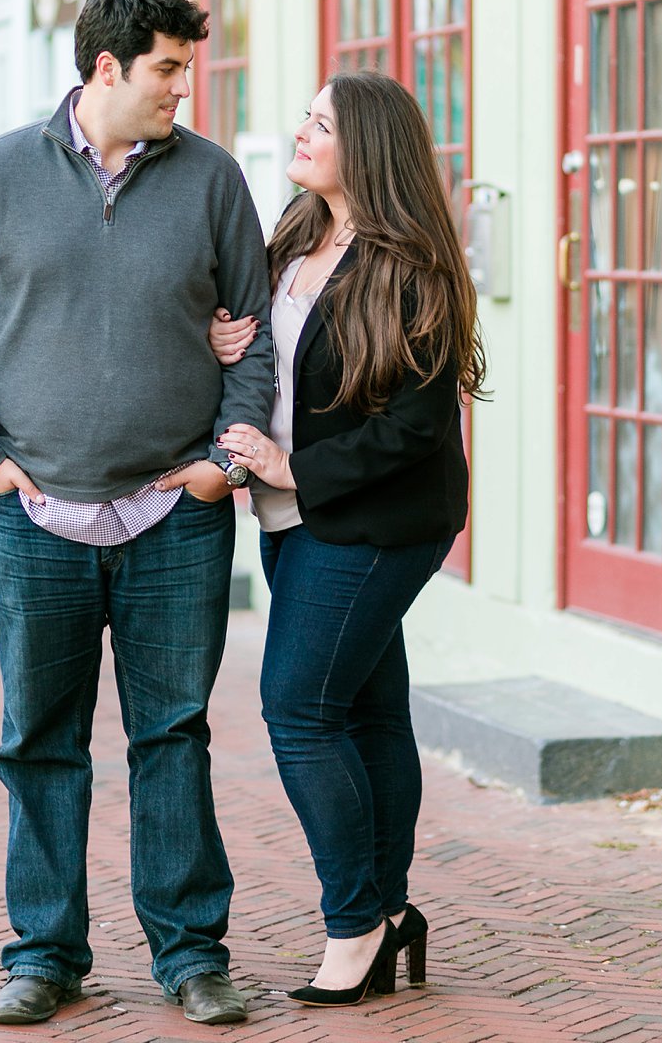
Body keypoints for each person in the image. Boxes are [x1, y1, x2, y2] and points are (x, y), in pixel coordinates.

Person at [0, 0, 275, 1027]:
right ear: (106, 68)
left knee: (174, 733)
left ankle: (192, 954)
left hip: (176, 517)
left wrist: (222, 467)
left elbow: (253, 337)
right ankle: (44, 954)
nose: (181, 88)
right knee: (40, 739)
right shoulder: (0, 175)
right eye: (166, 68)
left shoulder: (211, 180)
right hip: (34, 519)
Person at [205, 72, 483, 1008]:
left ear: (366, 145)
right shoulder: (292, 235)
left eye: (321, 124)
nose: (302, 132)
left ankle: (354, 920)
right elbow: (271, 355)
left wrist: (294, 470)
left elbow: (414, 429)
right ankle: (395, 912)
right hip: (296, 519)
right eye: (306, 118)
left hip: (377, 521)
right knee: (366, 711)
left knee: (296, 706)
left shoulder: (413, 268)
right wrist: (224, 348)